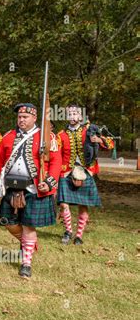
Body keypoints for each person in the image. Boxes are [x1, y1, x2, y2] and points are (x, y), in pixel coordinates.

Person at [0, 103, 62, 277]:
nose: (21, 120)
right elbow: (0, 160)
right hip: (12, 187)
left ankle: (26, 263)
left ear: (34, 118)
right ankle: (29, 244)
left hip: (35, 188)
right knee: (7, 222)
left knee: (28, 224)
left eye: (25, 117)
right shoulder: (8, 136)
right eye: (19, 117)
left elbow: (56, 162)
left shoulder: (47, 137)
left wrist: (49, 182)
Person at [57, 105, 114, 245]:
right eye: (69, 114)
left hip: (86, 171)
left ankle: (79, 235)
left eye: (75, 113)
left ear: (80, 117)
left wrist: (99, 140)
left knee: (83, 204)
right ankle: (68, 231)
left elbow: (111, 144)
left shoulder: (90, 131)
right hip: (66, 172)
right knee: (64, 204)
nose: (72, 116)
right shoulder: (61, 135)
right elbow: (56, 155)